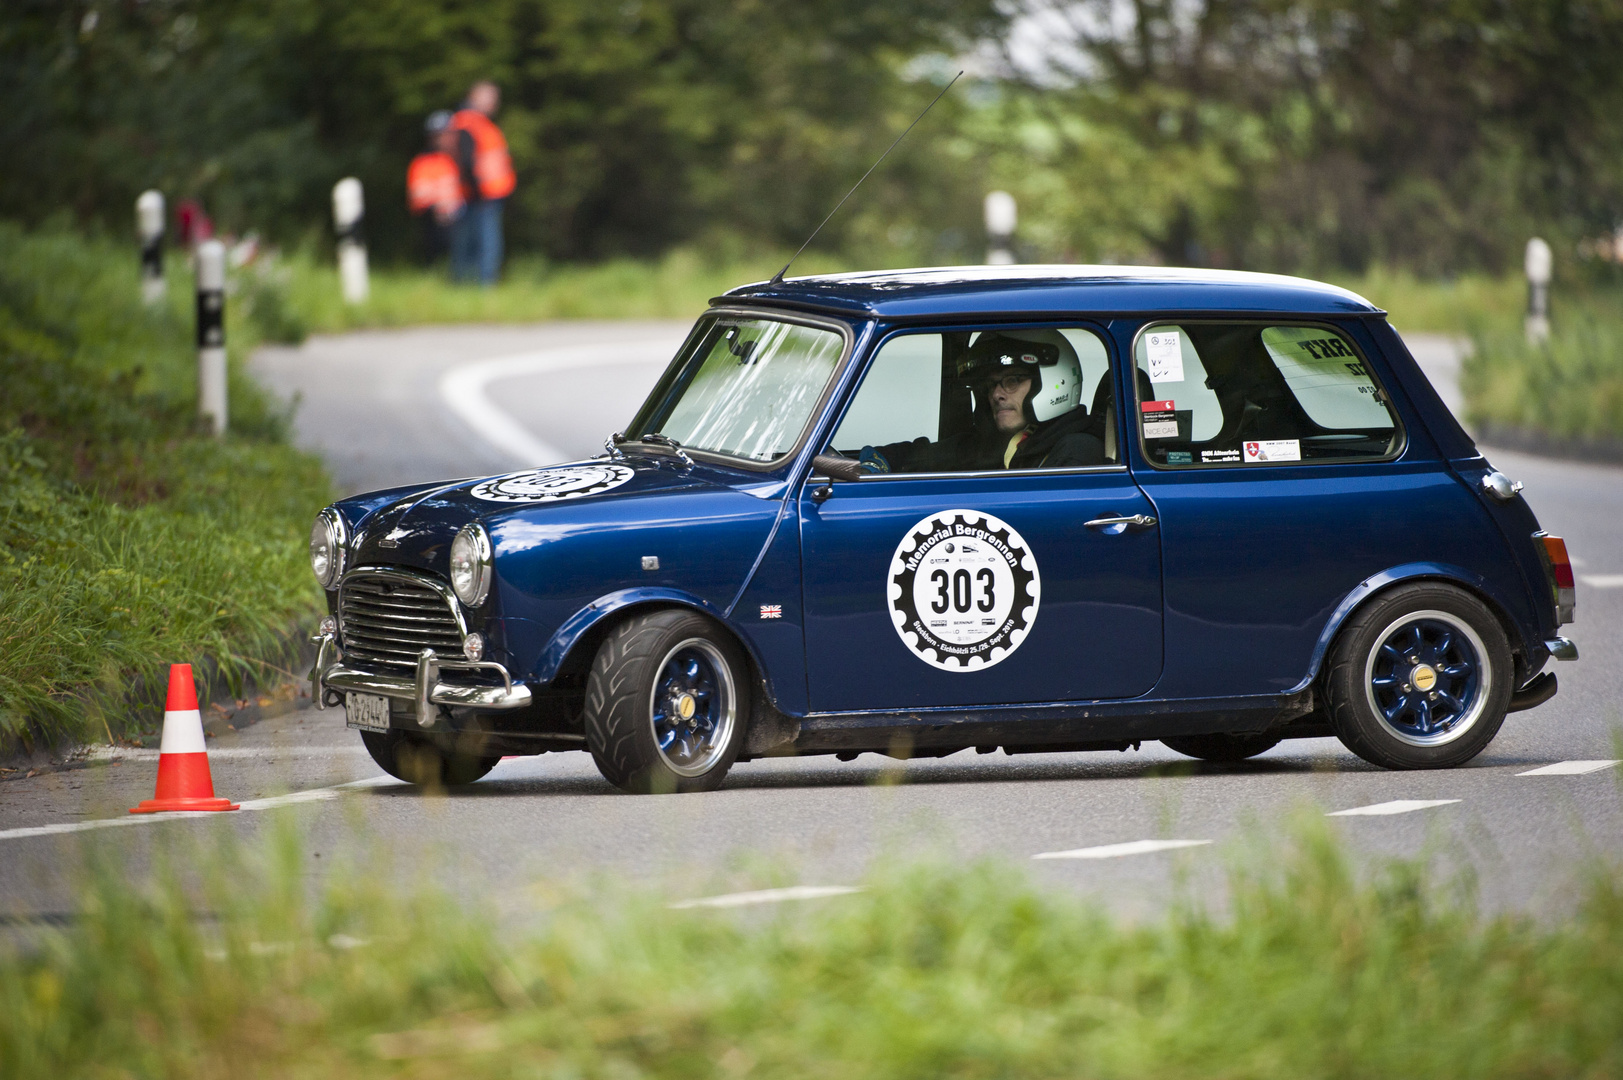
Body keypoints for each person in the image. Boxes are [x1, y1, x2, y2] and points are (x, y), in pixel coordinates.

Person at [860, 330, 1105, 473]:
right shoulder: (996, 445)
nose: (996, 394)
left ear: (1054, 379)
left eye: (1012, 381)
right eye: (990, 385)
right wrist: (871, 466)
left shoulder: (1077, 451)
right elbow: (914, 456)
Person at [448, 80, 515, 284]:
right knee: (484, 244)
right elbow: (466, 161)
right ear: (474, 96)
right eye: (490, 97)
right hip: (479, 195)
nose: (495, 103)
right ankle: (484, 287)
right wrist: (476, 191)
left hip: (486, 194)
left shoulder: (480, 122)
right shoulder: (468, 121)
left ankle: (470, 286)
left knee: (472, 243)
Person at [406, 111, 464, 264]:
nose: (445, 139)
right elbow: (417, 197)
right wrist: (437, 207)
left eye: (448, 134)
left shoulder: (460, 159)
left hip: (462, 218)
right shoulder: (422, 163)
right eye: (439, 135)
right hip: (435, 221)